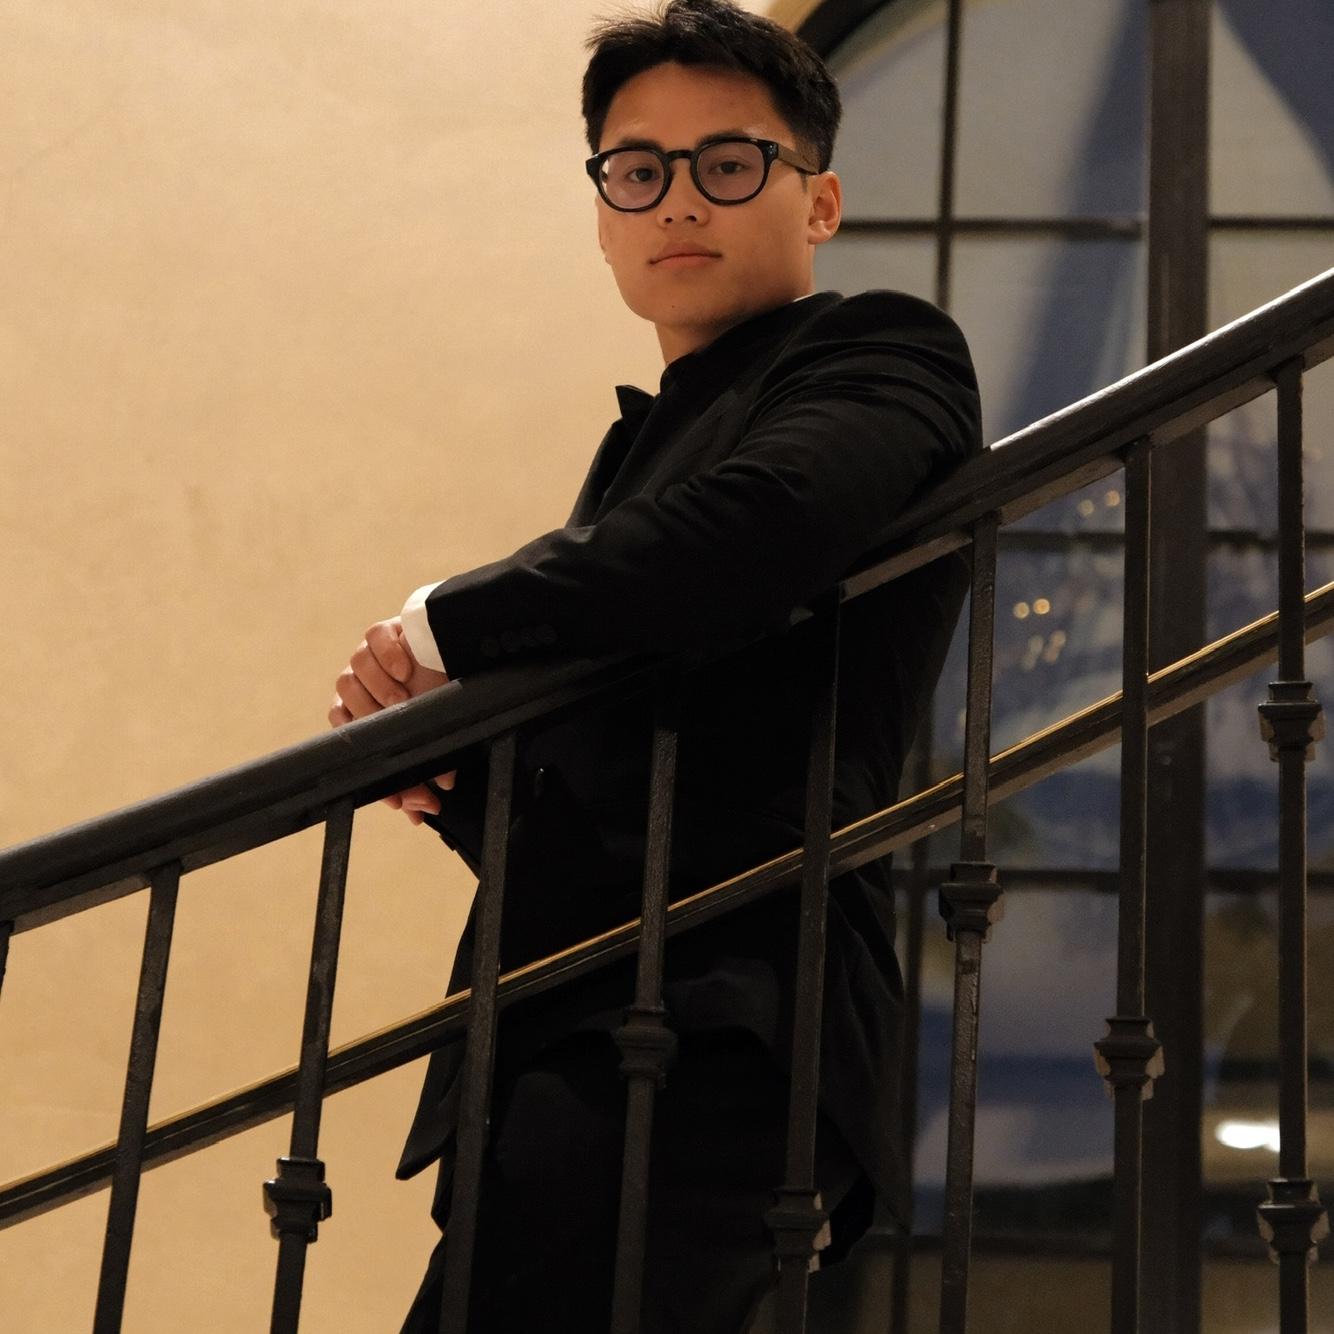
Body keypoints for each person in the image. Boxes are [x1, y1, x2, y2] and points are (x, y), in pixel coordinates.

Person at [327, 2, 982, 1329]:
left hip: (720, 1015)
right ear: (604, 213)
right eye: (638, 170)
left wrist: (445, 623)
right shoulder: (638, 458)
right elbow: (632, 783)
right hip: (575, 1026)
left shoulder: (882, 349)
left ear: (819, 200)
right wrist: (459, 776)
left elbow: (760, 531)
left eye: (727, 163)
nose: (678, 200)